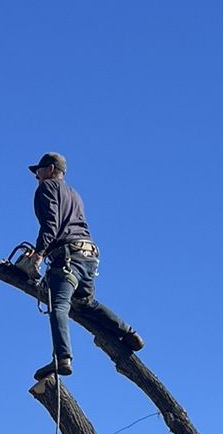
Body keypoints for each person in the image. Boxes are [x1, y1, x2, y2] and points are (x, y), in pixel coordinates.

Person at [27, 153, 142, 380]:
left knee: (59, 306)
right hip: (88, 258)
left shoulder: (47, 188)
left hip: (68, 258)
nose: (36, 177)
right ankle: (128, 332)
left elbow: (51, 224)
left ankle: (62, 357)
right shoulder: (74, 194)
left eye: (38, 171)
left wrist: (38, 255)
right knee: (84, 303)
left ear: (50, 169)